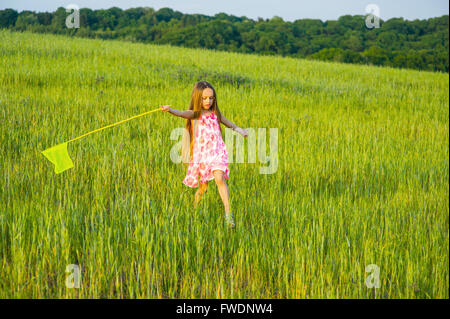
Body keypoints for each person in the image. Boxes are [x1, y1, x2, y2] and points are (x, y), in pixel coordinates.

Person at [161, 81, 248, 228]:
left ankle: (228, 216)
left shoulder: (215, 114)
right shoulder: (196, 114)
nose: (208, 101)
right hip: (203, 155)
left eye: (211, 98)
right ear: (198, 98)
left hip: (217, 151)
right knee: (203, 187)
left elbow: (227, 123)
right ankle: (195, 209)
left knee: (219, 178)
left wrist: (240, 130)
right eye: (204, 98)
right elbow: (183, 113)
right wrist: (170, 110)